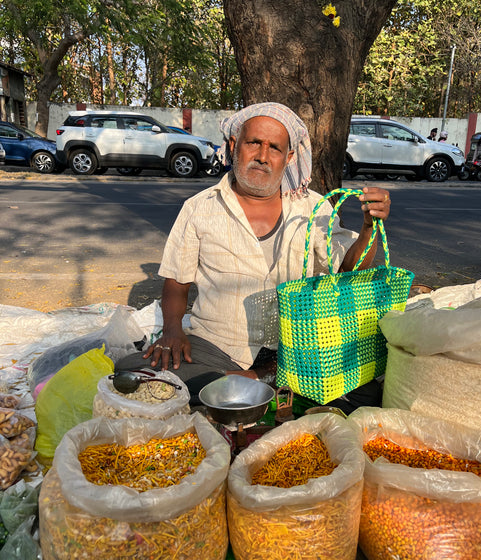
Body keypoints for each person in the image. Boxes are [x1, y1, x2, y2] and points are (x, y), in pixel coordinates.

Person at [116, 102, 391, 409]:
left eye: (274, 148)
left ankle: (245, 384)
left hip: (301, 347)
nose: (262, 156)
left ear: (288, 158)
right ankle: (264, 379)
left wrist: (369, 227)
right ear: (234, 146)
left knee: (368, 396)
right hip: (218, 347)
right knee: (133, 372)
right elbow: (176, 284)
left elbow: (348, 273)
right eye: (254, 143)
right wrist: (172, 332)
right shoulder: (199, 208)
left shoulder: (313, 208)